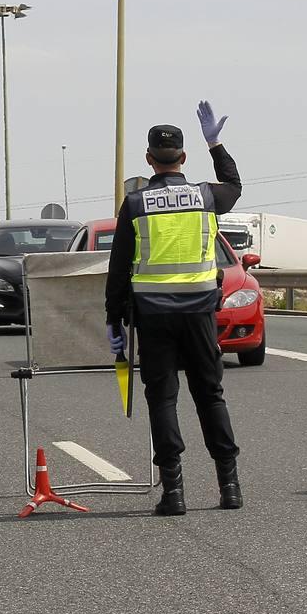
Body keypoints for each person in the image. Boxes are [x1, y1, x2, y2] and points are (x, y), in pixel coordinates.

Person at [104, 102, 243, 516]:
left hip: (153, 315)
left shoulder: (134, 204)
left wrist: (113, 318)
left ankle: (174, 493)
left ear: (149, 160)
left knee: (162, 398)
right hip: (200, 310)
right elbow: (234, 184)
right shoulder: (206, 195)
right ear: (183, 157)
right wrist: (215, 143)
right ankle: (229, 486)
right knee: (210, 394)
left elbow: (118, 269)